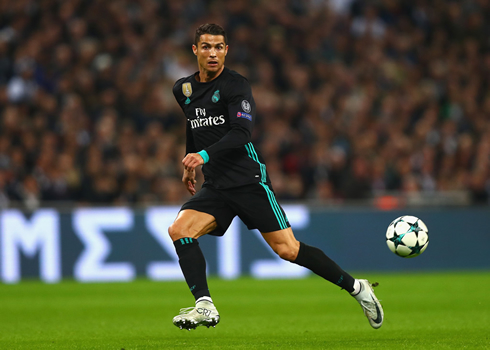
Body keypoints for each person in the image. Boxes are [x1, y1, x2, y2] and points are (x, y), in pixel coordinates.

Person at [169, 23, 384, 330]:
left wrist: (202, 156)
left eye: (218, 47)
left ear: (226, 51)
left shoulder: (236, 86)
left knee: (288, 250)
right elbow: (194, 127)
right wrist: (191, 162)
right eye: (206, 47)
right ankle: (205, 305)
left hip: (247, 180)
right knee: (179, 230)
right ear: (195, 51)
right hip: (216, 185)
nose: (212, 53)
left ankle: (356, 288)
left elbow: (241, 132)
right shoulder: (184, 90)